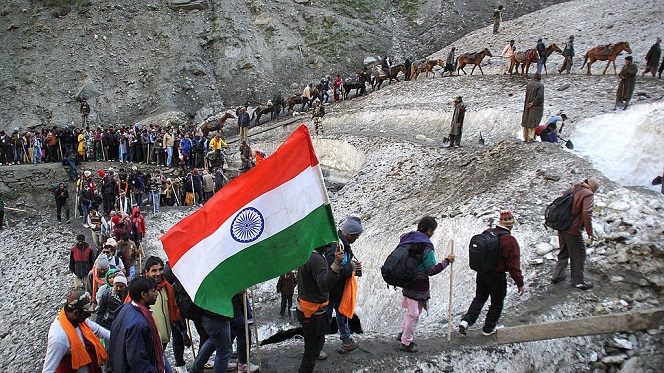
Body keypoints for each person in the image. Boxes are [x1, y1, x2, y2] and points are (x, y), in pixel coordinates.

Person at [459, 210, 525, 336]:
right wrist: (519, 282)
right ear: (511, 224)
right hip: (497, 275)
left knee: (479, 297)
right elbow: (513, 265)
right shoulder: (509, 240)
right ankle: (488, 328)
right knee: (497, 302)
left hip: (482, 272)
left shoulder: (488, 233)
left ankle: (466, 321)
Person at [395, 216, 454, 352]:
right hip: (419, 285)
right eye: (433, 231)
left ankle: (403, 333)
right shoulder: (426, 246)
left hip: (406, 281)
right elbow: (431, 269)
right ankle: (406, 342)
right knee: (414, 314)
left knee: (410, 311)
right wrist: (447, 261)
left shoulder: (408, 238)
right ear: (429, 230)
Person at [297, 242, 344, 373]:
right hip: (314, 314)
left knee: (310, 347)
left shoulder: (308, 254)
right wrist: (336, 264)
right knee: (312, 353)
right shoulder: (317, 260)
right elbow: (324, 285)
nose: (330, 245)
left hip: (305, 309)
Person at [109, 276, 166, 372]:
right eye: (153, 291)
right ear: (143, 294)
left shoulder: (126, 308)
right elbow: (137, 360)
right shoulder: (138, 324)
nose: (156, 294)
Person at [324, 215, 364, 354]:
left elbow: (345, 266)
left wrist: (355, 269)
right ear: (348, 233)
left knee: (342, 315)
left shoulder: (344, 245)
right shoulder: (335, 246)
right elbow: (332, 270)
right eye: (356, 235)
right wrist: (351, 268)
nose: (357, 238)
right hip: (330, 291)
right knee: (326, 319)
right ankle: (315, 348)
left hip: (339, 290)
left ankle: (346, 340)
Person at [43, 291, 109, 373]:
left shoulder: (80, 322)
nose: (89, 316)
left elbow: (99, 331)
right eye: (86, 314)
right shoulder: (59, 338)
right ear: (76, 313)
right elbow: (48, 370)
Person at [551, 178, 599, 290]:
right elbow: (586, 212)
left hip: (561, 224)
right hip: (573, 228)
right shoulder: (588, 193)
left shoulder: (573, 188)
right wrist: (589, 231)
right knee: (579, 254)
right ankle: (578, 281)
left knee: (564, 250)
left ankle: (558, 275)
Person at [143, 256, 191, 366]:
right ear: (147, 272)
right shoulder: (141, 290)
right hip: (149, 340)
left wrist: (183, 333)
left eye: (160, 269)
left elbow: (174, 312)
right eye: (154, 270)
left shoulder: (168, 288)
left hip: (163, 341)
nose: (158, 273)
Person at [521, 73, 544, 142]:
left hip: (527, 105)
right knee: (533, 122)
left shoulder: (529, 84)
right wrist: (533, 102)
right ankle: (531, 137)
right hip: (536, 107)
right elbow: (540, 95)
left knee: (526, 121)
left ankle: (525, 137)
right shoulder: (540, 85)